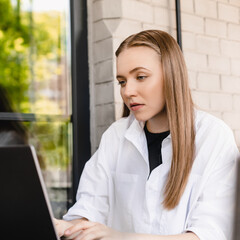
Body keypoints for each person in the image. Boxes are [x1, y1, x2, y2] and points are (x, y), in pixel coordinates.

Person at [54, 30, 240, 240]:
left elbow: (210, 234)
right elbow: (90, 208)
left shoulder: (214, 137)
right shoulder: (115, 136)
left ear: (171, 75)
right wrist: (64, 227)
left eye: (140, 77)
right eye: (122, 81)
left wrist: (119, 237)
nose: (128, 91)